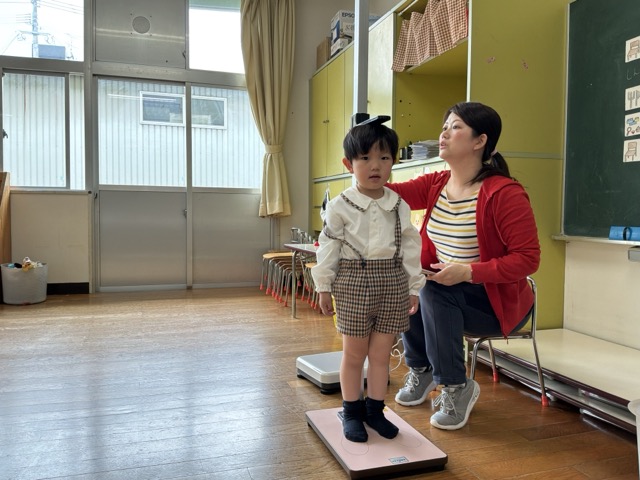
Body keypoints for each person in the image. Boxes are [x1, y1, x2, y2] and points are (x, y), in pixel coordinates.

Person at [387, 101, 540, 430]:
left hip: (495, 303)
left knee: (433, 292)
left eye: (455, 127)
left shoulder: (504, 194)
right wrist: (367, 157)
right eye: (444, 126)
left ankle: (456, 386)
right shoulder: (436, 184)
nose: (443, 133)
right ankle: (422, 370)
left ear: (479, 141)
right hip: (447, 292)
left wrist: (469, 271)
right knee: (409, 281)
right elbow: (387, 193)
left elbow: (528, 259)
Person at [311, 117, 426, 443]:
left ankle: (375, 410)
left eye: (384, 157)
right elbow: (328, 247)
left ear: (393, 161)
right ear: (349, 164)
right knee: (354, 354)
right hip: (353, 282)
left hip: (392, 281)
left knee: (380, 354)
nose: (375, 165)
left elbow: (410, 246)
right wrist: (323, 286)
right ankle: (351, 411)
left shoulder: (398, 205)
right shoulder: (340, 206)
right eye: (365, 158)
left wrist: (413, 287)